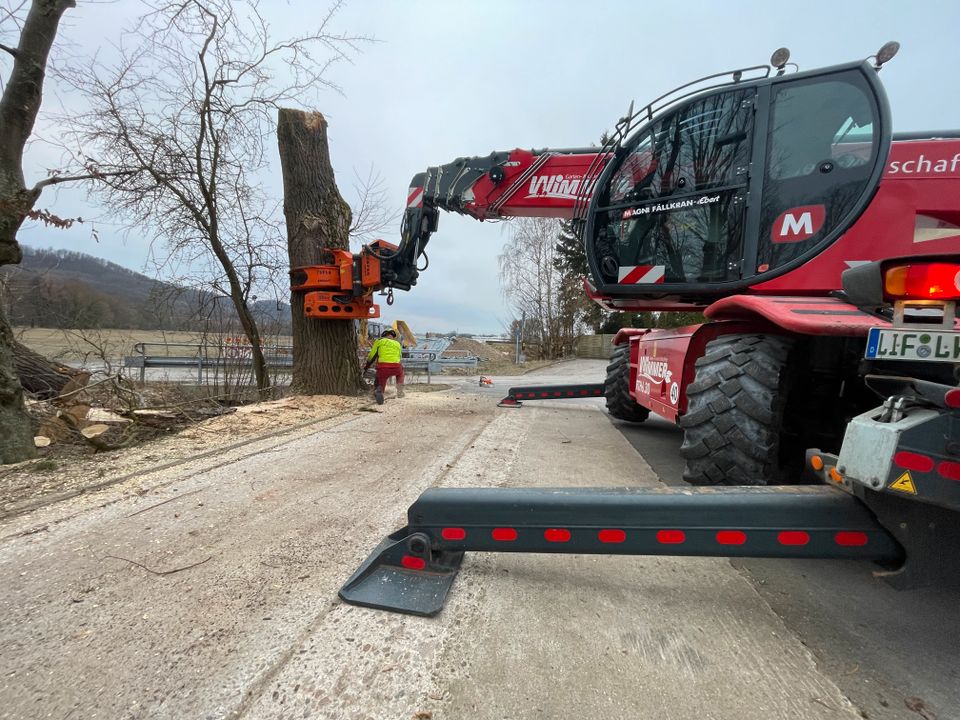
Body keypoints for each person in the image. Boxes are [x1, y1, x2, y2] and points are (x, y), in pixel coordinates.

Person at [364, 328, 405, 405]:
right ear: (393, 337)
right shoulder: (398, 344)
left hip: (383, 368)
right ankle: (400, 389)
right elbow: (399, 358)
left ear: (384, 335)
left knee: (380, 379)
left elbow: (372, 356)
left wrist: (366, 367)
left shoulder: (379, 341)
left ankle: (379, 390)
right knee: (401, 373)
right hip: (396, 367)